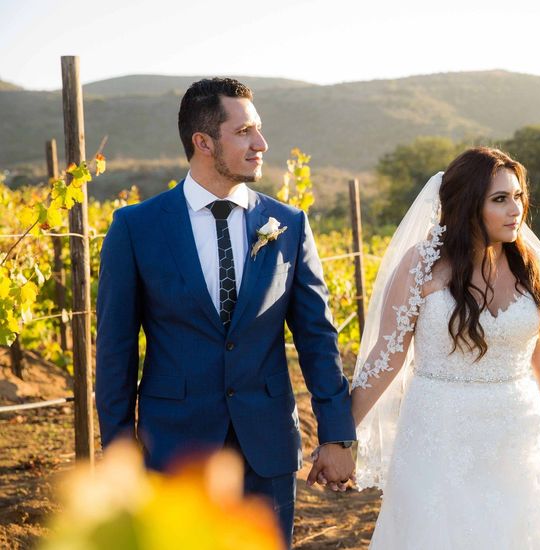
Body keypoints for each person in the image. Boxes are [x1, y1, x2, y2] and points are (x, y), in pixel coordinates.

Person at [95, 77, 356, 547]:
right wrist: (117, 452)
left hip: (267, 447)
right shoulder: (136, 227)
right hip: (173, 450)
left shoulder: (289, 224)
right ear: (203, 141)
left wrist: (338, 436)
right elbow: (114, 350)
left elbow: (318, 337)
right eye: (244, 132)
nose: (261, 144)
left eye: (258, 130)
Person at [349, 146, 540, 549]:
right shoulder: (422, 265)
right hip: (438, 433)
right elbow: (387, 358)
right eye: (500, 199)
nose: (516, 210)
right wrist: (339, 435)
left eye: (518, 197)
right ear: (466, 206)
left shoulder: (531, 264)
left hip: (519, 434)